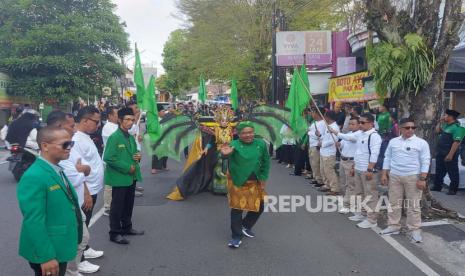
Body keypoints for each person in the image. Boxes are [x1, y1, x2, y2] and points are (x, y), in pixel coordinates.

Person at [17, 126, 82, 276]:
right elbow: (33, 221)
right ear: (45, 146)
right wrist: (46, 256)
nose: (69, 148)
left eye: (71, 144)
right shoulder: (34, 176)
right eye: (65, 144)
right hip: (48, 251)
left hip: (59, 245)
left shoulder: (55, 168)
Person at [47, 111, 101, 275]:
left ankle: (72, 267)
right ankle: (72, 267)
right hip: (67, 206)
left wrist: (82, 174)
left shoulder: (69, 144)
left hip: (76, 202)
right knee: (71, 241)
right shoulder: (44, 165)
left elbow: (84, 168)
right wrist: (80, 171)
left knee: (81, 238)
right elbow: (70, 176)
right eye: (71, 126)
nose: (74, 129)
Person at [220, 122, 270, 248]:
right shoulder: (234, 144)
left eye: (250, 132)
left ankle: (245, 225)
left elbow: (266, 161)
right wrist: (225, 155)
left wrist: (263, 179)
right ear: (238, 134)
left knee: (261, 205)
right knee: (238, 208)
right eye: (244, 133)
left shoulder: (261, 143)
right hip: (238, 181)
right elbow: (225, 155)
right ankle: (236, 236)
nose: (248, 135)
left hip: (256, 181)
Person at [380, 118, 431, 243]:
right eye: (407, 128)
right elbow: (387, 157)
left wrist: (423, 178)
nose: (410, 130)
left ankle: (414, 229)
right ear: (400, 128)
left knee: (413, 205)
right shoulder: (393, 142)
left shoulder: (421, 143)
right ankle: (393, 225)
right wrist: (384, 174)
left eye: (413, 128)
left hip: (413, 177)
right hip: (395, 176)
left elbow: (426, 160)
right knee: (393, 202)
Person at [104, 108, 144, 244]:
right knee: (117, 207)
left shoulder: (129, 137)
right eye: (127, 119)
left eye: (132, 120)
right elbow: (108, 157)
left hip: (130, 177)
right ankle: (114, 233)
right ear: (119, 120)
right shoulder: (114, 137)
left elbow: (134, 154)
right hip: (119, 177)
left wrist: (138, 156)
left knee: (128, 204)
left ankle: (127, 227)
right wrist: (127, 167)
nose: (130, 122)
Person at [336, 113, 382, 228]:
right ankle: (363, 213)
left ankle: (372, 220)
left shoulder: (374, 136)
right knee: (360, 193)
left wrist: (370, 169)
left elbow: (374, 154)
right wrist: (353, 167)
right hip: (358, 168)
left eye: (363, 123)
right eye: (360, 122)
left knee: (370, 195)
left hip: (368, 170)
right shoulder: (360, 134)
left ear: (371, 123)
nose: (360, 125)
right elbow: (358, 152)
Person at [72, 106, 105, 259]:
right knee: (81, 225)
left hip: (93, 188)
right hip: (86, 191)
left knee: (86, 222)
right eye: (96, 121)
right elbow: (77, 168)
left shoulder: (85, 136)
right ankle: (80, 258)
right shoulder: (76, 139)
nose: (98, 125)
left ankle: (85, 248)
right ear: (85, 120)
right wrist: (86, 193)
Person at [332, 116, 361, 214]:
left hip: (351, 162)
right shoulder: (349, 133)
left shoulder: (359, 134)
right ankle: (347, 202)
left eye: (353, 124)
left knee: (350, 184)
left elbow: (348, 138)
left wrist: (336, 132)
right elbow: (343, 142)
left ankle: (348, 205)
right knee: (344, 182)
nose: (351, 126)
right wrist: (339, 145)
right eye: (350, 124)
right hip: (343, 160)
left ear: (359, 125)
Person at [432, 109, 465, 195]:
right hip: (441, 152)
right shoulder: (446, 125)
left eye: (446, 115)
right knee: (439, 170)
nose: (444, 116)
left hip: (450, 153)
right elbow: (437, 131)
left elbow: (456, 143)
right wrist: (440, 122)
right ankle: (437, 186)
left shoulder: (458, 128)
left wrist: (450, 155)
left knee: (452, 171)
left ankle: (453, 189)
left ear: (451, 117)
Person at [102, 106, 120, 217]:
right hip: (110, 160)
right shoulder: (109, 127)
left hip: (117, 159)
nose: (119, 116)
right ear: (110, 116)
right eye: (117, 114)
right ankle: (107, 207)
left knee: (115, 184)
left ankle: (113, 204)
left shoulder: (115, 126)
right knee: (109, 185)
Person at [318, 111, 341, 195]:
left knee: (329, 171)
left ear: (328, 117)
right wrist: (320, 136)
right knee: (323, 170)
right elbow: (325, 137)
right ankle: (327, 185)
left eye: (324, 116)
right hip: (323, 151)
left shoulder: (335, 127)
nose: (323, 118)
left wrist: (322, 144)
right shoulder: (327, 126)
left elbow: (333, 140)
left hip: (329, 153)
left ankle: (335, 188)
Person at [308, 107, 325, 187]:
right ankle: (315, 177)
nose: (311, 114)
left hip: (316, 146)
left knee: (316, 163)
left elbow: (318, 136)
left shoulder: (322, 123)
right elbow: (311, 132)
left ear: (317, 113)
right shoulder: (314, 122)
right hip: (311, 145)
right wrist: (311, 132)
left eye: (313, 112)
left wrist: (310, 133)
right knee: (312, 163)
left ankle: (319, 180)